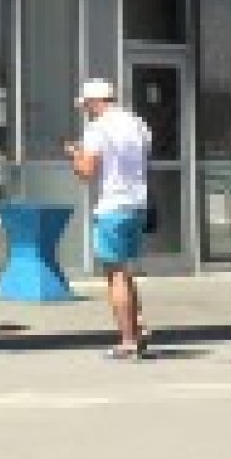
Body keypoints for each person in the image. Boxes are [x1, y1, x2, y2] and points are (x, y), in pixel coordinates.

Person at [67, 75, 152, 360]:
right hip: (137, 203)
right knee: (125, 271)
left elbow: (87, 171)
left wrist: (75, 156)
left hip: (112, 205)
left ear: (95, 102)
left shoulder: (97, 128)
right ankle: (138, 326)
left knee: (114, 274)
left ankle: (127, 340)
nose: (86, 111)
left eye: (86, 106)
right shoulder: (137, 123)